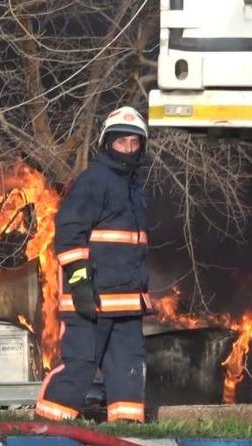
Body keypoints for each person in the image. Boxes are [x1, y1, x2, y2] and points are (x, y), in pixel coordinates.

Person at [35, 106, 151, 423]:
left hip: (126, 302)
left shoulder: (134, 188)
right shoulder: (93, 181)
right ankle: (48, 426)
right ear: (107, 144)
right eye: (121, 142)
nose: (128, 149)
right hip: (93, 299)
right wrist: (80, 283)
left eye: (133, 142)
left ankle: (127, 430)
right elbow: (70, 234)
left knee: (129, 365)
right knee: (81, 363)